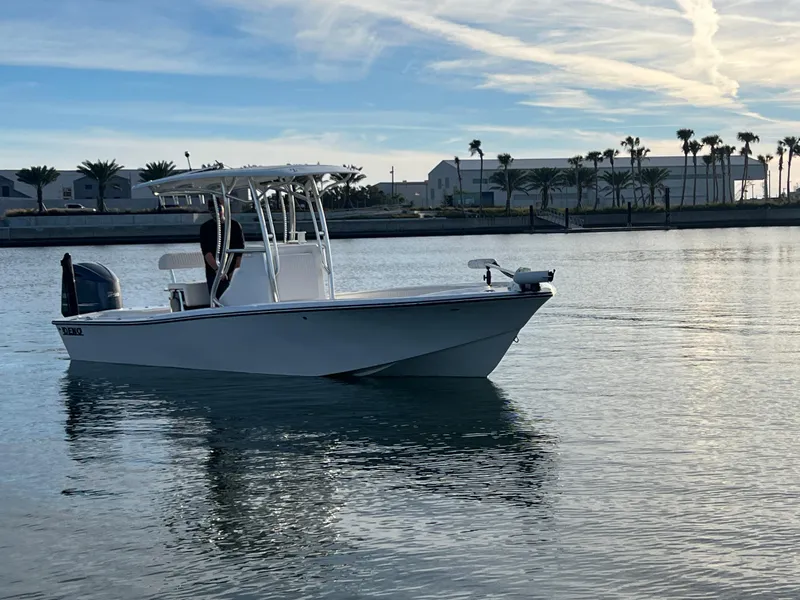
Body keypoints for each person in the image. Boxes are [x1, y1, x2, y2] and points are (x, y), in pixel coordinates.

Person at [200, 197, 245, 300]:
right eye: (212, 211)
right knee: (218, 297)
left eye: (219, 209)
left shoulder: (234, 226)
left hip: (232, 268)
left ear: (223, 208)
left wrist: (235, 271)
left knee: (236, 297)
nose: (216, 213)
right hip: (214, 270)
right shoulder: (205, 228)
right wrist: (218, 270)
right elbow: (206, 252)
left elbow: (240, 251)